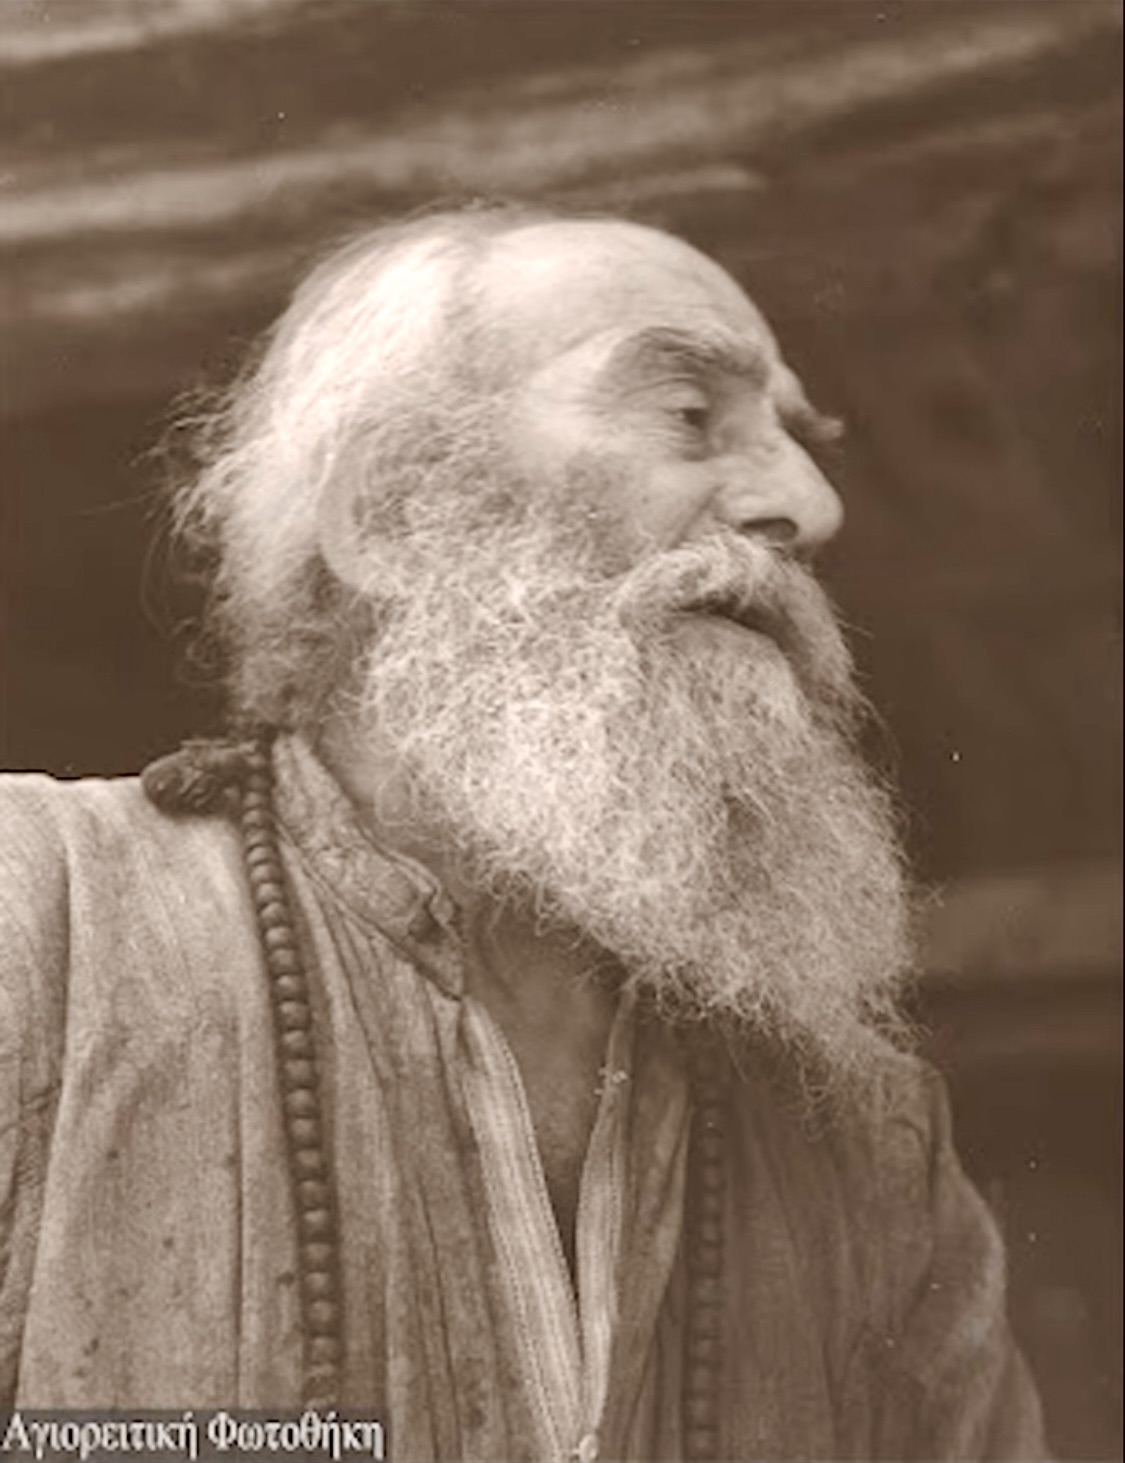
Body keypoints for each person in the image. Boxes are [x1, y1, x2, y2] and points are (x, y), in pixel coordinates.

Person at [0, 205, 1045, 1460]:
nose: (810, 506)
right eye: (688, 413)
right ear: (398, 510)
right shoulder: (35, 920)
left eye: (801, 442)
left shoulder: (868, 1130)